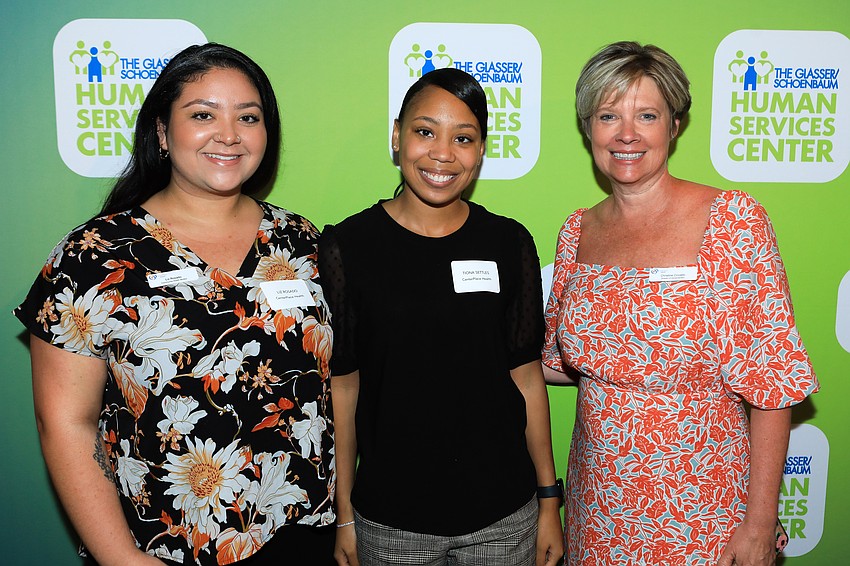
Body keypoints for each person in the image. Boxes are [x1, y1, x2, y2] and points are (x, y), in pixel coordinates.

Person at [15, 43, 336, 565]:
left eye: (247, 117)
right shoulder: (96, 255)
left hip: (300, 536)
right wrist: (122, 559)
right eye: (203, 115)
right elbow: (65, 422)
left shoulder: (300, 241)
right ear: (162, 132)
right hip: (163, 546)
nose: (228, 134)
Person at [542, 41, 818, 565]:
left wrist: (759, 524)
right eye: (608, 115)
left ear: (674, 125)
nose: (626, 134)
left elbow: (774, 384)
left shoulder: (733, 221)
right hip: (596, 509)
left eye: (646, 115)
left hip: (707, 514)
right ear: (588, 129)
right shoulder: (577, 231)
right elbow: (557, 361)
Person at [319, 68, 564, 566]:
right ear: (396, 135)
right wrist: (344, 514)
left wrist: (548, 500)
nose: (442, 153)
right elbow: (343, 388)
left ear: (480, 150)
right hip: (389, 523)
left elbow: (526, 376)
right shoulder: (347, 246)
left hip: (504, 518)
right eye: (425, 131)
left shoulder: (508, 241)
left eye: (464, 138)